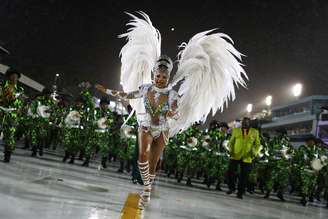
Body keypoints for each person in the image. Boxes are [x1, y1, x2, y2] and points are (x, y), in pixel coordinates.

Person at [96, 12, 246, 209]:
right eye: (157, 76)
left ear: (168, 77)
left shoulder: (173, 95)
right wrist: (106, 91)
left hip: (163, 129)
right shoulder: (146, 88)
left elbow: (176, 113)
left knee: (153, 162)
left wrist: (171, 114)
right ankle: (146, 187)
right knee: (142, 156)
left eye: (163, 77)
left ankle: (147, 189)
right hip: (146, 126)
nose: (160, 79)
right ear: (154, 74)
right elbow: (128, 95)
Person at [227, 117, 261, 199]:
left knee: (244, 176)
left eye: (247, 122)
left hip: (247, 157)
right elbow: (231, 142)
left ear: (249, 123)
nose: (245, 123)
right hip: (235, 155)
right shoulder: (236, 130)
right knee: (230, 172)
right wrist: (230, 150)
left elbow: (257, 144)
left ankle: (240, 192)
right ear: (242, 123)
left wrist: (253, 152)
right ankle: (232, 187)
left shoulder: (255, 132)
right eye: (243, 122)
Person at [0, 69, 24, 162]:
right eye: (13, 76)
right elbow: (3, 99)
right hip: (1, 111)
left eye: (16, 77)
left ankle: (7, 156)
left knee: (10, 135)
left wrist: (19, 110)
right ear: (9, 77)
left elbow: (19, 103)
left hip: (12, 114)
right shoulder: (2, 85)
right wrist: (10, 96)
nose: (15, 78)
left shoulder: (20, 89)